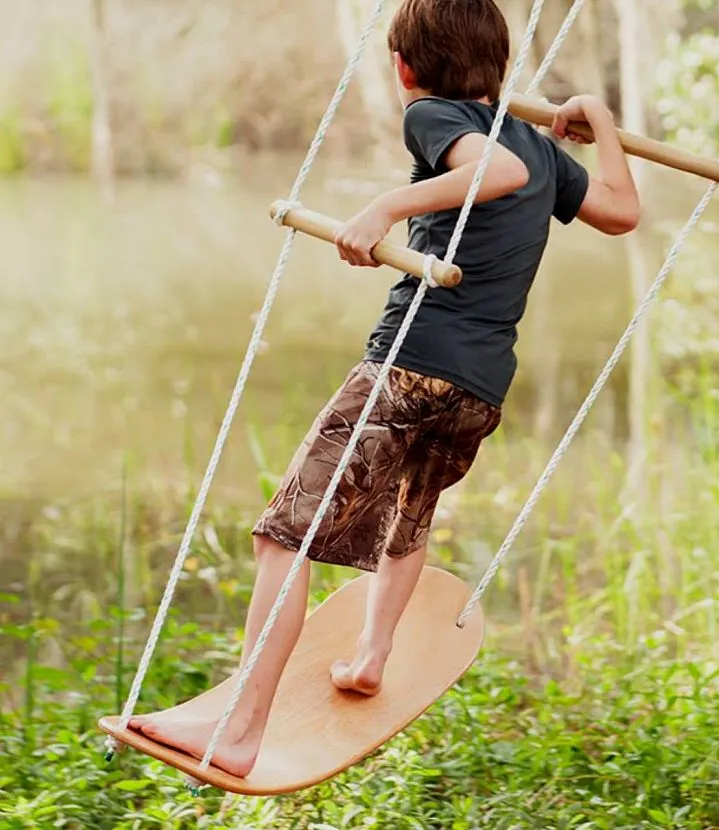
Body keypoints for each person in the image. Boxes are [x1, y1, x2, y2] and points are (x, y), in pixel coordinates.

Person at [128, 0, 639, 778]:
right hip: (480, 386)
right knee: (410, 512)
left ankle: (237, 732)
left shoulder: (431, 116)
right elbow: (621, 212)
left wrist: (387, 205)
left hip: (408, 361)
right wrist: (599, 120)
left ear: (405, 69)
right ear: (497, 65)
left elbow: (489, 173)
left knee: (283, 536)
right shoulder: (539, 146)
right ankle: (369, 655)